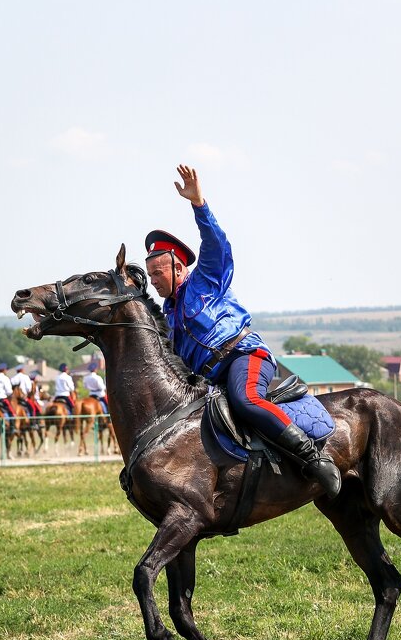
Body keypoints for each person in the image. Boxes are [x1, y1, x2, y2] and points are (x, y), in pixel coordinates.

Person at [144, 164, 340, 497]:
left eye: (157, 273)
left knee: (246, 397)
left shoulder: (206, 279)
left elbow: (217, 245)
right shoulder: (169, 312)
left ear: (178, 267)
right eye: (149, 276)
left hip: (244, 356)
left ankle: (313, 458)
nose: (154, 280)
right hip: (210, 378)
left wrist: (199, 204)